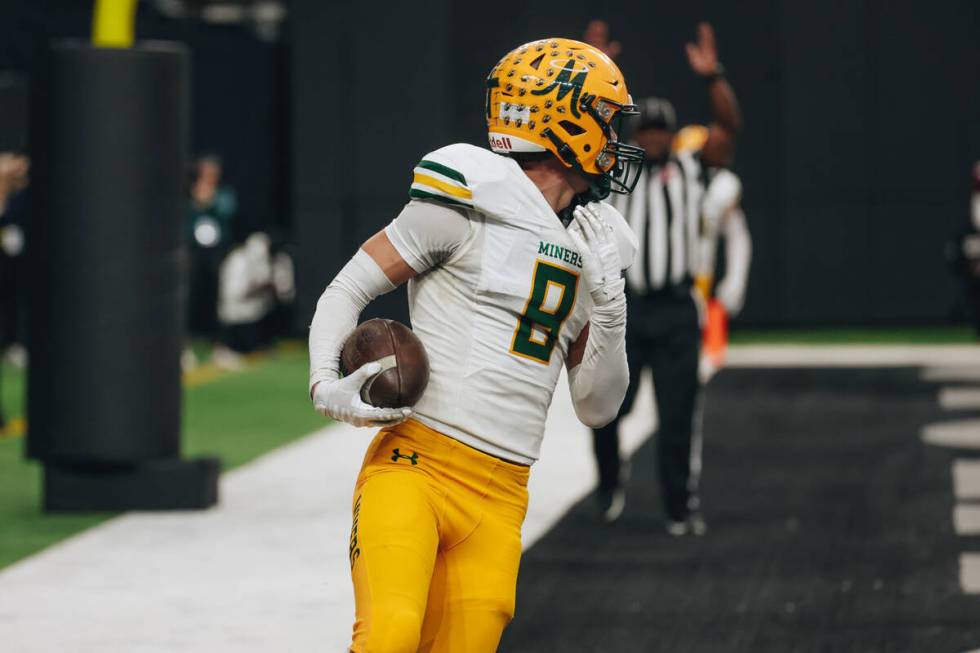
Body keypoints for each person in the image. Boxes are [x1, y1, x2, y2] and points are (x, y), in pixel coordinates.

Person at [308, 38, 641, 652]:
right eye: (606, 117)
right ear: (563, 119)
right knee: (390, 636)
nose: (615, 137)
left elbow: (597, 407)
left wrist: (612, 315)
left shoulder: (601, 239)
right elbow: (345, 290)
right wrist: (325, 386)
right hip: (416, 466)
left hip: (504, 492)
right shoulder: (470, 196)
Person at [585, 21, 741, 532]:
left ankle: (679, 505)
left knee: (677, 415)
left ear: (672, 135)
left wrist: (713, 75)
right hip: (624, 305)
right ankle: (610, 481)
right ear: (634, 135)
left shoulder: (695, 167)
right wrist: (589, 71)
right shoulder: (613, 168)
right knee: (606, 406)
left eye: (659, 130)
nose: (651, 138)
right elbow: (577, 137)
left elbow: (728, 128)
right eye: (644, 130)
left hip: (676, 308)